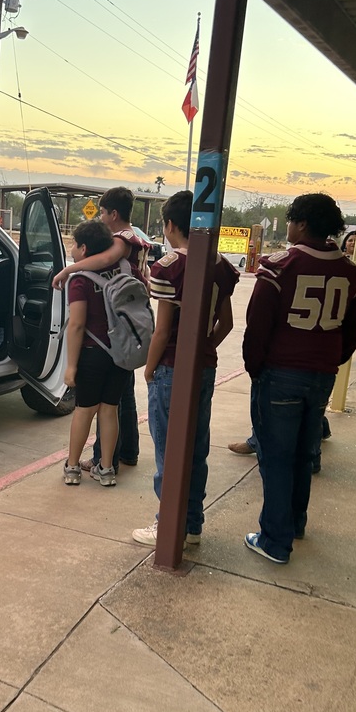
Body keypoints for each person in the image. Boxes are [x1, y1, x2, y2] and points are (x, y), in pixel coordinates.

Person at [242, 193, 356, 564]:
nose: (289, 227)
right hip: (322, 374)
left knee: (275, 456)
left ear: (302, 224)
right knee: (302, 453)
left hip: (281, 372)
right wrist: (330, 359)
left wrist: (256, 368)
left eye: (291, 220)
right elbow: (354, 330)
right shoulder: (350, 272)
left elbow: (257, 325)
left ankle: (275, 540)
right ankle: (295, 521)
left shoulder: (280, 266)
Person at [131, 190, 238, 547]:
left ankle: (167, 524)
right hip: (203, 367)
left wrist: (149, 369)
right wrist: (204, 348)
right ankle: (192, 523)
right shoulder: (220, 265)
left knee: (168, 449)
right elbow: (226, 323)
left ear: (171, 225)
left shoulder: (170, 266)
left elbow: (162, 331)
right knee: (196, 447)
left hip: (171, 367)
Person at [54, 187, 150, 473]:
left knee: (95, 408)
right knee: (118, 403)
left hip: (102, 343)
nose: (101, 218)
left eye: (103, 212)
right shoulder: (139, 240)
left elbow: (104, 262)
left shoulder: (121, 241)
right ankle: (118, 458)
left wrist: (69, 270)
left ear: (114, 213)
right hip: (124, 335)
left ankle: (96, 460)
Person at [62, 219, 131, 487]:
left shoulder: (80, 280)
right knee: (109, 410)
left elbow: (77, 325)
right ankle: (107, 469)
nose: (71, 249)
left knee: (84, 410)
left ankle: (72, 468)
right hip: (122, 352)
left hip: (93, 353)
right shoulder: (126, 268)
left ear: (84, 249)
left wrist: (71, 366)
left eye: (73, 244)